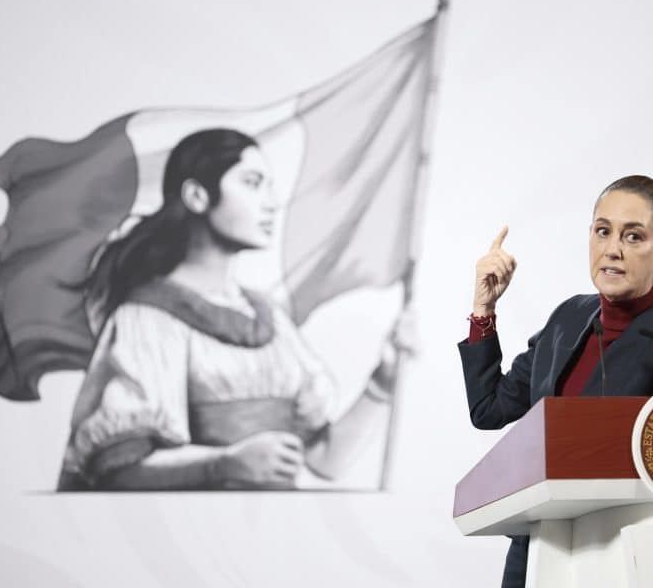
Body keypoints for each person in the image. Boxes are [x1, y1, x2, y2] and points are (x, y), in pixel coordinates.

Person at [57, 128, 407, 490]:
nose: (270, 203)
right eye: (252, 183)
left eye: (269, 186)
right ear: (196, 195)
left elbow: (324, 460)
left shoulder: (269, 319)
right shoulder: (147, 318)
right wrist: (224, 464)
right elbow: (119, 471)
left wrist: (383, 382)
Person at [457, 174, 653, 587]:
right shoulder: (568, 318)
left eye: (633, 237)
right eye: (603, 231)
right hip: (535, 550)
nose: (612, 249)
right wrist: (483, 308)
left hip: (613, 556)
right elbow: (489, 409)